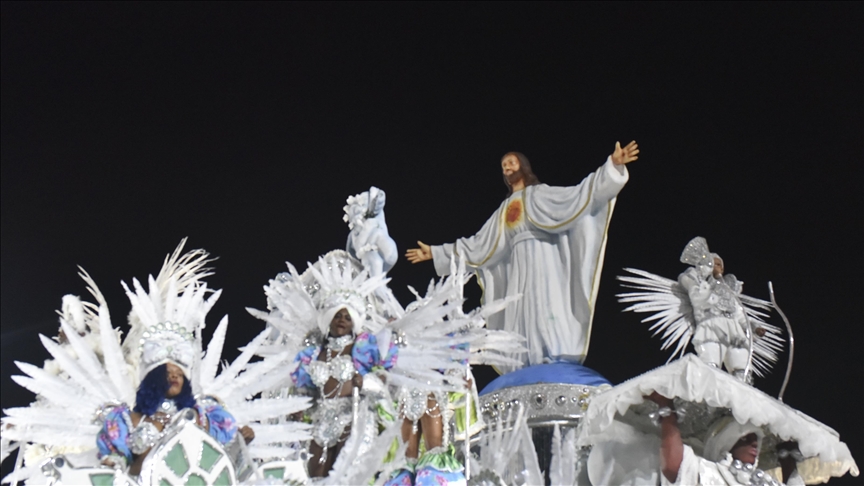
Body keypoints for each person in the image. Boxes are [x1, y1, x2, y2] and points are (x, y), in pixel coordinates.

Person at [406, 142, 638, 371]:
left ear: (523, 166)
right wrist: (437, 252)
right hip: (519, 269)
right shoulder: (503, 211)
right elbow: (477, 244)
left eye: (511, 162)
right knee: (520, 311)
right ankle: (524, 361)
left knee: (547, 306)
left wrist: (613, 167)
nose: (506, 167)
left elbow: (580, 195)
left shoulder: (542, 194)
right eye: (503, 165)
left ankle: (553, 354)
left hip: (545, 262)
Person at [290, 306, 396, 478]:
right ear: (328, 319)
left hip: (352, 416)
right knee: (315, 475)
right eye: (337, 316)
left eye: (347, 317)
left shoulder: (362, 349)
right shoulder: (315, 353)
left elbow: (383, 383)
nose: (342, 320)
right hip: (321, 419)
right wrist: (298, 408)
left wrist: (364, 383)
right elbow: (308, 389)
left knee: (346, 473)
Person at [97, 362, 251, 476]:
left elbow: (218, 458)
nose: (174, 375)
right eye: (167, 372)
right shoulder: (130, 420)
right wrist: (115, 462)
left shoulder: (200, 417)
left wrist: (242, 440)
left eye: (179, 373)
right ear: (152, 378)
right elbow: (118, 462)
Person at [647, 392, 793, 485]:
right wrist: (667, 408)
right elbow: (674, 466)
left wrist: (789, 459)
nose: (754, 443)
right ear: (726, 442)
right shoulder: (710, 472)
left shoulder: (767, 482)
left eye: (756, 439)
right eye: (744, 438)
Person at [677, 237, 765, 381]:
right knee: (710, 366)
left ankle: (740, 398)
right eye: (714, 263)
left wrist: (754, 327)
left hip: (734, 330)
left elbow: (739, 313)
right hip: (710, 326)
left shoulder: (729, 290)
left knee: (740, 368)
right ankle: (708, 398)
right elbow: (697, 297)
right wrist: (703, 271)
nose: (719, 267)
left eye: (720, 265)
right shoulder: (697, 282)